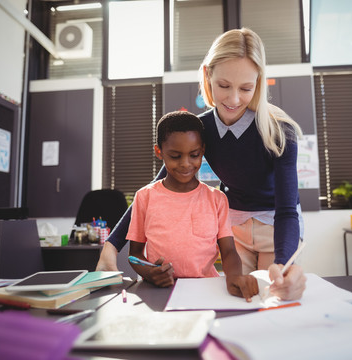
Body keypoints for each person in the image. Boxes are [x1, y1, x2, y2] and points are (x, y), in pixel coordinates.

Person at [97, 28, 307, 300]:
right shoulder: (201, 128)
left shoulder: (279, 131)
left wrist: (282, 264)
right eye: (223, 86)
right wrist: (111, 248)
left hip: (276, 225)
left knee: (273, 296)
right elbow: (154, 188)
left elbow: (287, 209)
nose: (233, 100)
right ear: (208, 75)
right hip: (234, 228)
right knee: (234, 299)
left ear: (259, 81)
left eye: (246, 88)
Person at [126, 111, 258, 300]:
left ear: (202, 151)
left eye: (194, 155)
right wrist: (150, 273)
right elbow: (135, 253)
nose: (185, 164)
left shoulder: (216, 199)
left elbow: (228, 250)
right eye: (175, 156)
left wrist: (234, 277)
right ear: (159, 152)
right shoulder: (145, 197)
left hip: (205, 290)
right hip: (161, 291)